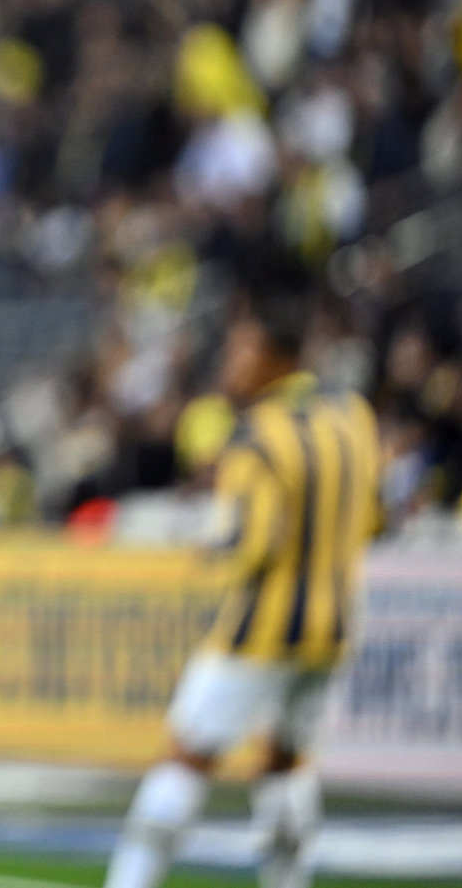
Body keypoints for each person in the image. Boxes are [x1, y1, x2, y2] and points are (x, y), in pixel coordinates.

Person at [103, 269, 378, 888]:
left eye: (241, 349)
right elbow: (373, 514)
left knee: (185, 756)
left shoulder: (257, 435)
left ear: (274, 358)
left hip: (262, 629)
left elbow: (252, 544)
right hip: (334, 627)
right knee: (286, 762)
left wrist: (210, 545)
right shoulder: (353, 416)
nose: (231, 362)